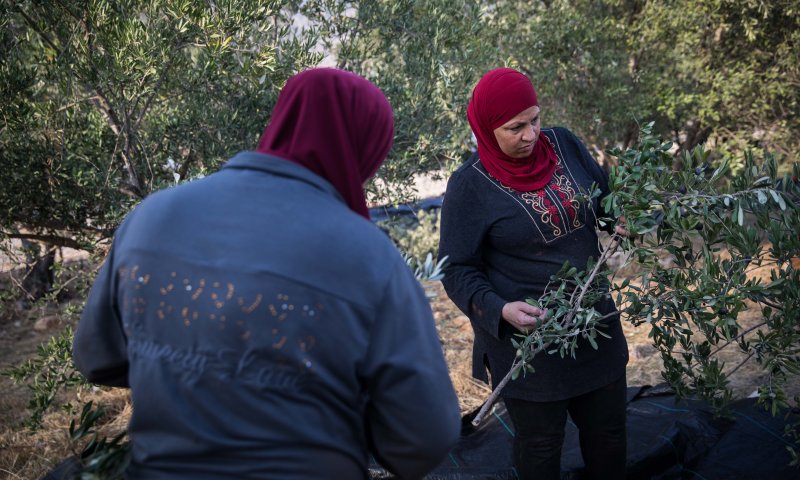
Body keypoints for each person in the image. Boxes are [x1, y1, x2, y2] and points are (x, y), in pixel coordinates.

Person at [73, 68, 461, 480]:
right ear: (362, 150)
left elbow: (95, 357)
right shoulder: (368, 255)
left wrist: (189, 380)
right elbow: (424, 440)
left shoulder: (151, 216)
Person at [438, 67, 629, 480]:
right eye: (515, 127)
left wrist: (623, 218)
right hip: (531, 344)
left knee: (609, 436)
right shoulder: (469, 186)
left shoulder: (563, 144)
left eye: (535, 120)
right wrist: (500, 309)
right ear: (486, 129)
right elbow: (456, 269)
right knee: (540, 447)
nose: (530, 135)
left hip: (594, 325)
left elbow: (605, 202)